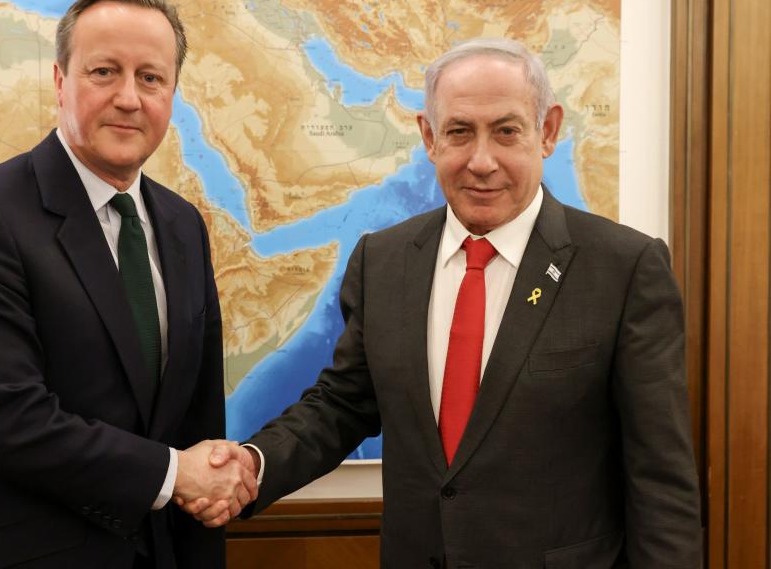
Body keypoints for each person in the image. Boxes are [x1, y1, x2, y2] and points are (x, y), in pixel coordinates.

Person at [191, 37, 702, 567]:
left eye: (506, 131)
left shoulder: (624, 268)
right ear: (429, 137)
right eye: (460, 132)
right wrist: (253, 465)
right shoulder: (383, 261)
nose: (482, 161)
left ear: (546, 131)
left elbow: (661, 480)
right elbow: (343, 404)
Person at [0, 0, 255, 569]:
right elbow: (1, 418)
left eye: (151, 78)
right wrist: (173, 475)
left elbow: (194, 417)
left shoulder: (182, 223)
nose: (129, 98)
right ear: (61, 82)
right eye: (104, 72)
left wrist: (207, 487)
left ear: (172, 93)